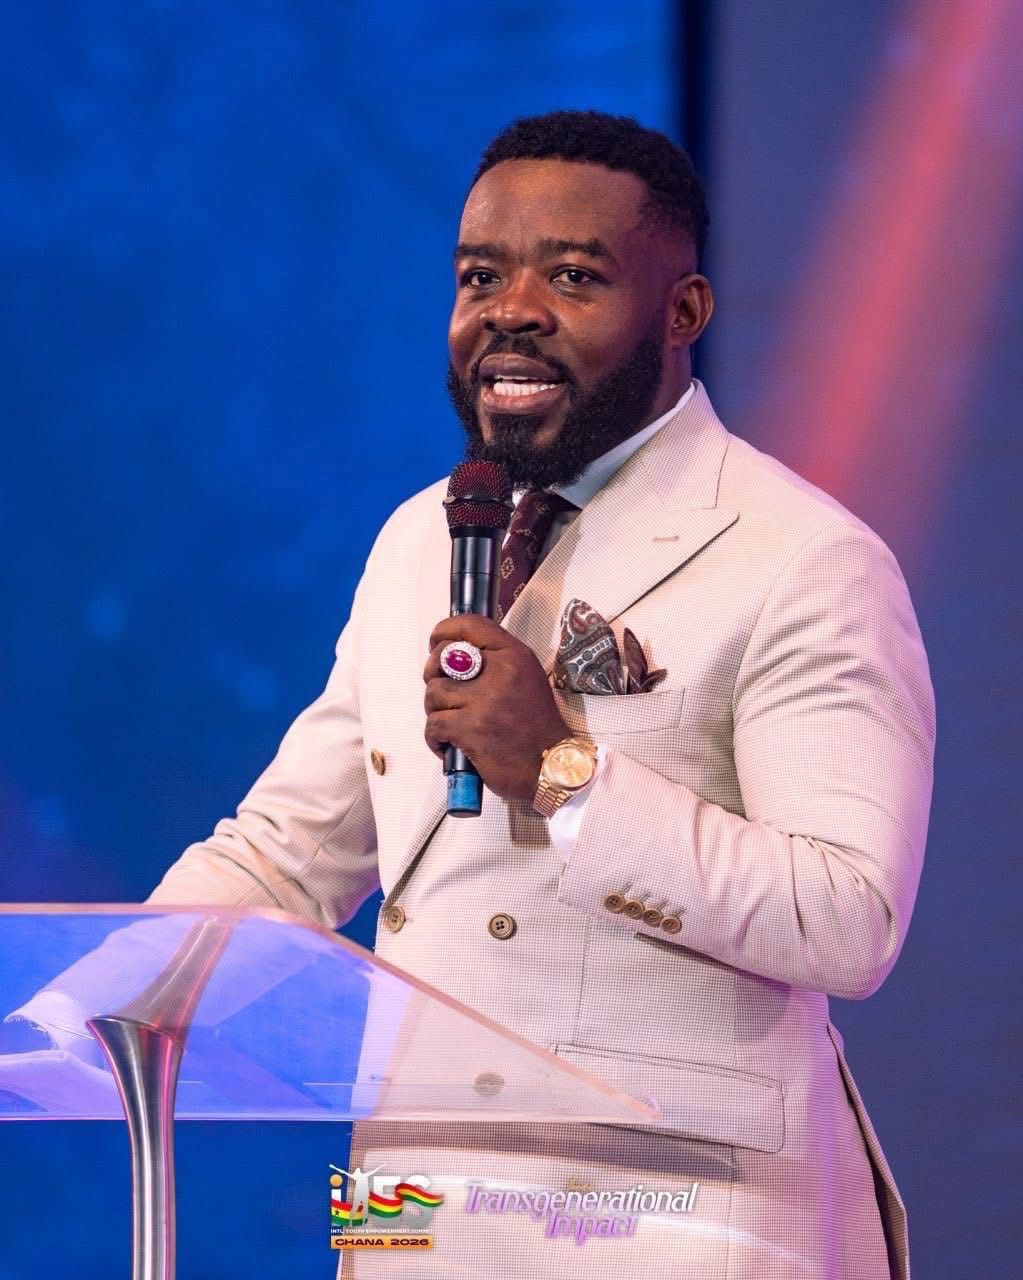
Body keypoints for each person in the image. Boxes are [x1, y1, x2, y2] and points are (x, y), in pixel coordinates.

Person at [19, 111, 936, 1278]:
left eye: (574, 276)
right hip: (415, 1208)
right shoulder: (422, 535)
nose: (511, 310)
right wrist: (70, 1003)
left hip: (664, 1215)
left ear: (684, 311)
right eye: (480, 276)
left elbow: (850, 917)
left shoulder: (802, 556)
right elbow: (290, 851)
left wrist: (562, 772)